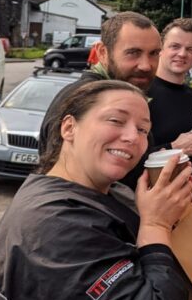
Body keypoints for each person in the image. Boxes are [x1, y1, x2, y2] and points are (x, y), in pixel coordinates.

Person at [0, 79, 192, 300]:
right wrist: (156, 223)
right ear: (69, 127)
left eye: (142, 129)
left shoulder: (109, 192)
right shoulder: (49, 226)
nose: (132, 137)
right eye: (116, 120)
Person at [39, 11, 162, 189]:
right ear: (103, 53)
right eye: (133, 53)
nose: (145, 65)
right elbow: (65, 185)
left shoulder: (121, 96)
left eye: (154, 53)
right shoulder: (82, 99)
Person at [149, 18, 192, 200]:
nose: (182, 54)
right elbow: (127, 160)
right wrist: (174, 147)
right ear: (161, 49)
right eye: (175, 46)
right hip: (156, 207)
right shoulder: (140, 96)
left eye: (190, 49)